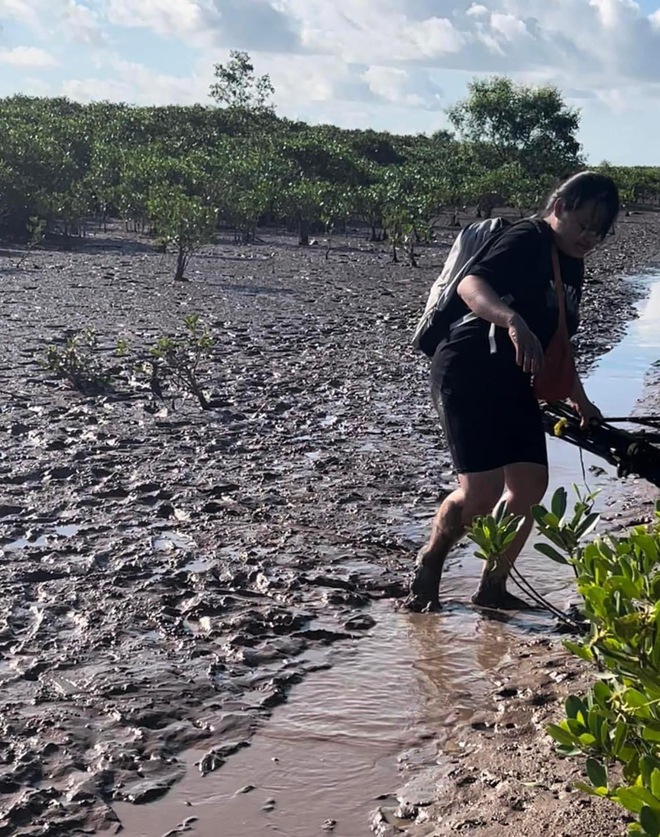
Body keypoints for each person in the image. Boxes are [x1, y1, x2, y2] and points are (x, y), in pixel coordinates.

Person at [405, 171, 620, 613]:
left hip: (512, 378)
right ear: (559, 207)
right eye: (584, 224)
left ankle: (492, 586)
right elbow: (470, 285)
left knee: (528, 486)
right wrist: (511, 320)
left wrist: (578, 396)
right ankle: (431, 560)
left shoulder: (571, 262)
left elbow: (558, 336)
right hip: (467, 369)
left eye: (599, 231)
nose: (589, 238)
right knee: (480, 494)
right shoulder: (527, 238)